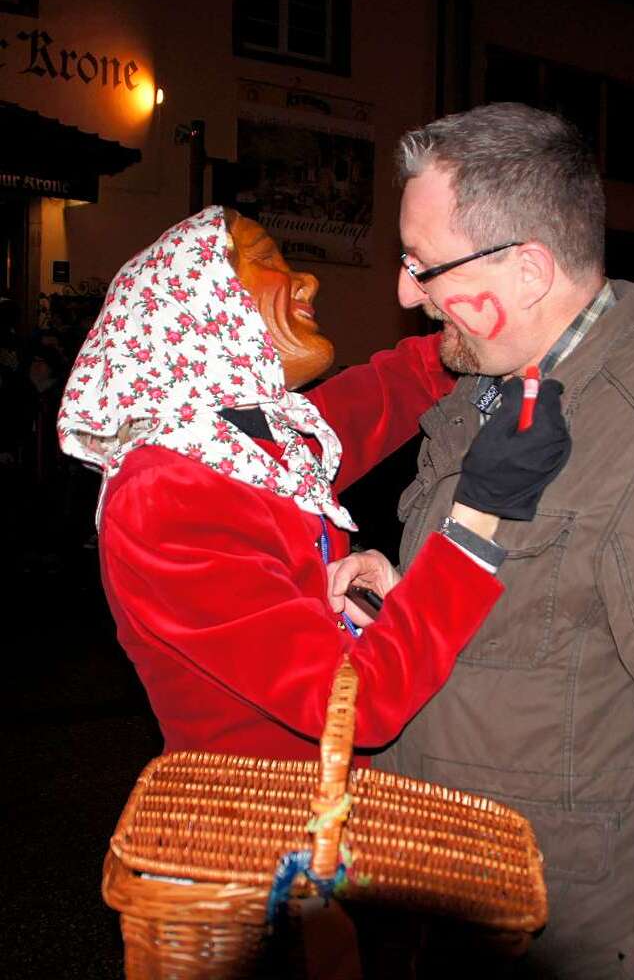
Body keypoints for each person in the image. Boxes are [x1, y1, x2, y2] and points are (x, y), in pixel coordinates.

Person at [342, 103, 634, 979]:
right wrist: (399, 586)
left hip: (571, 941)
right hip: (446, 921)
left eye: (424, 266)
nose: (403, 293)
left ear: (529, 270)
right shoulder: (489, 396)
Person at [56, 204, 570, 764]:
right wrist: (477, 519)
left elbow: (389, 389)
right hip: (267, 835)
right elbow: (355, 706)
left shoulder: (252, 443)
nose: (307, 279)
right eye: (265, 261)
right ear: (201, 305)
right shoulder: (166, 494)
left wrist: (497, 324)